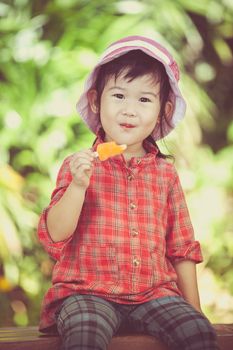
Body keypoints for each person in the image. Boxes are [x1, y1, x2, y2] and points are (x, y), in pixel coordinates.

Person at [37, 35, 219, 350]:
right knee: (84, 334)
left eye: (144, 100)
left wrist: (195, 310)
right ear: (96, 100)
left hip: (153, 295)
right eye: (119, 95)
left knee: (198, 333)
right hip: (88, 294)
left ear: (165, 108)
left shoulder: (165, 174)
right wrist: (78, 187)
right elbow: (54, 235)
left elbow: (182, 249)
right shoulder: (79, 167)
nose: (129, 111)